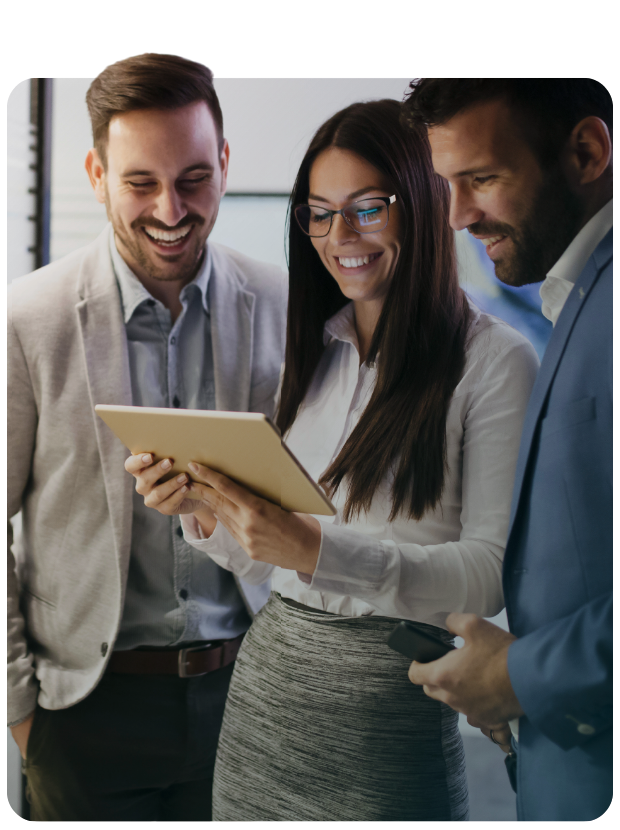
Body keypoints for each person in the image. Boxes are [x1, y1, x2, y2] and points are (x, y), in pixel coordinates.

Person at [127, 98, 540, 822]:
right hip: (265, 706)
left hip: (385, 719)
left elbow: (487, 576)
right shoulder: (318, 351)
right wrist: (206, 511)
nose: (338, 236)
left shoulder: (495, 361)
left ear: (425, 203)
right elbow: (273, 564)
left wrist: (317, 550)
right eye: (318, 214)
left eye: (366, 209)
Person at [6, 53, 286, 822]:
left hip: (250, 697)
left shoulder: (284, 304)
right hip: (82, 715)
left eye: (194, 179)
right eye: (140, 183)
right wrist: (21, 713)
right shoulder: (26, 320)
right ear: (96, 175)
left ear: (224, 163)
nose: (170, 209)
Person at [401, 78, 620, 823]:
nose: (457, 216)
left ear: (585, 152)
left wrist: (520, 675)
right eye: (447, 185)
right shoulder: (580, 295)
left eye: (483, 179)